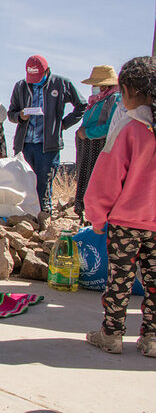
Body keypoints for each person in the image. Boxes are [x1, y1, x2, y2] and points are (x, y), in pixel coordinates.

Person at [84, 56, 156, 358]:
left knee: (120, 281)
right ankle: (152, 338)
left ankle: (111, 335)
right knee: (154, 284)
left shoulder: (129, 128)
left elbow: (107, 179)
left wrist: (97, 218)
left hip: (127, 223)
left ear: (125, 90)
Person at [7, 55, 87, 213]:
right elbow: (11, 113)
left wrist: (63, 124)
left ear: (47, 71)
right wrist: (19, 116)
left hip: (48, 145)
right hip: (25, 144)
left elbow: (81, 105)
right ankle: (24, 218)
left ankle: (44, 218)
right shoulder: (21, 86)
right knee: (23, 183)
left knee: (43, 184)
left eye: (38, 77)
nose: (34, 81)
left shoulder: (61, 83)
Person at [74, 65, 120, 221]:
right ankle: (86, 216)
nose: (93, 88)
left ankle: (96, 220)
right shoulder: (100, 99)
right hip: (89, 145)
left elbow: (110, 126)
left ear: (104, 85)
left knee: (95, 181)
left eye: (95, 84)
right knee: (86, 180)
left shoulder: (114, 98)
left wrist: (87, 133)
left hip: (98, 146)